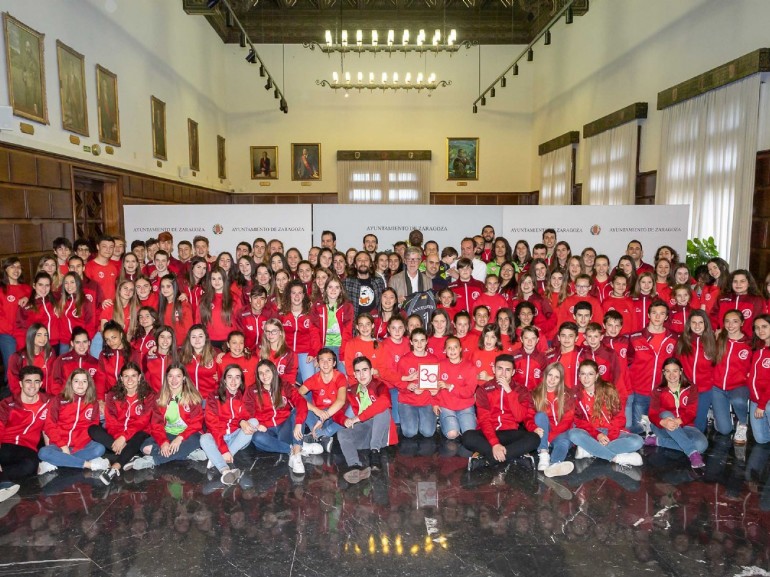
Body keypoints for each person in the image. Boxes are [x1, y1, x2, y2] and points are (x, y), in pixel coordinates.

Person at [464, 354, 540, 471]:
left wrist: (509, 391)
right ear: (494, 369)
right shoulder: (483, 390)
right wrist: (495, 444)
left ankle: (487, 459)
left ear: (513, 372)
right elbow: (484, 420)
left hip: (511, 433)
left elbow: (520, 417)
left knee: (534, 438)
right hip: (489, 433)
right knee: (467, 436)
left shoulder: (521, 390)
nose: (503, 374)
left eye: (507, 370)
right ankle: (513, 457)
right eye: (500, 369)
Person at [242, 359, 320, 475]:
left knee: (296, 411)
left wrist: (298, 423)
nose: (264, 375)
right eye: (261, 373)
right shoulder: (252, 390)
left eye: (267, 371)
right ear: (257, 376)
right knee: (257, 438)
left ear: (273, 371)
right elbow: (246, 411)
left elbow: (300, 401)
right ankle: (296, 448)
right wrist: (257, 424)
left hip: (285, 427)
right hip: (268, 432)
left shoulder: (283, 385)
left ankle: (296, 455)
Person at [568, 360, 644, 467]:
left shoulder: (608, 390)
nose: (586, 378)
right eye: (583, 374)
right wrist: (597, 435)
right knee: (573, 434)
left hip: (612, 431)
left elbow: (619, 417)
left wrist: (610, 437)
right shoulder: (576, 395)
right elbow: (580, 422)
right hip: (592, 433)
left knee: (638, 441)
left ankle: (590, 450)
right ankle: (617, 458)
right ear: (579, 376)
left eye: (590, 374)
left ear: (597, 376)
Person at [89, 362, 155, 485]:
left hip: (138, 434)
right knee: (93, 429)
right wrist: (119, 438)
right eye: (126, 376)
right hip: (117, 436)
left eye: (133, 376)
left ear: (139, 377)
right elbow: (111, 421)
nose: (130, 380)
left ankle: (114, 468)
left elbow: (143, 421)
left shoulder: (148, 395)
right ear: (121, 378)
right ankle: (129, 454)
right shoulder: (112, 394)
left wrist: (124, 437)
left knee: (140, 434)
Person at [131, 363, 206, 470]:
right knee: (145, 447)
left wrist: (180, 438)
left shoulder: (193, 397)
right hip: (168, 433)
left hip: (188, 435)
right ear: (166, 378)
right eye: (170, 376)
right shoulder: (160, 398)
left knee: (197, 441)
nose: (174, 380)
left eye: (178, 376)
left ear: (184, 378)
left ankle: (154, 460)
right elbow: (156, 425)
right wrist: (163, 442)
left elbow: (197, 424)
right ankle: (186, 453)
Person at [38, 368, 109, 473]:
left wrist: (79, 445)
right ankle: (87, 464)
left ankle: (58, 461)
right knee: (43, 452)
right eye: (76, 381)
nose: (80, 384)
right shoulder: (58, 399)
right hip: (59, 445)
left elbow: (93, 427)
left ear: (89, 384)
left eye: (84, 381)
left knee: (99, 449)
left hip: (82, 445)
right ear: (70, 383)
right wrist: (62, 445)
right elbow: (49, 425)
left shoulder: (93, 403)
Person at [338, 356, 396, 483]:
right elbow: (339, 411)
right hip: (365, 433)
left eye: (365, 370)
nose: (362, 374)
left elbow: (385, 401)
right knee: (342, 433)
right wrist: (344, 420)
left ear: (371, 371)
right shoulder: (351, 390)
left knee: (382, 410)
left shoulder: (380, 385)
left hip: (381, 433)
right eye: (358, 371)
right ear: (354, 374)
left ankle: (375, 453)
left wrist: (357, 418)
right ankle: (355, 466)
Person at [627, 300, 678, 435]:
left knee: (659, 430)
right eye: (654, 313)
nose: (657, 317)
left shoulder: (673, 337)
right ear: (648, 315)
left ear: (666, 317)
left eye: (661, 314)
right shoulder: (635, 337)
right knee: (638, 430)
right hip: (639, 391)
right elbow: (626, 362)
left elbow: (676, 365)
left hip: (661, 393)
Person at [646, 358, 708, 469]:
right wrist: (662, 422)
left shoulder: (691, 388)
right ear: (663, 373)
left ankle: (659, 441)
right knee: (666, 414)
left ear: (681, 371)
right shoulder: (658, 390)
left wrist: (679, 421)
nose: (672, 374)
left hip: (687, 427)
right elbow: (652, 414)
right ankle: (692, 453)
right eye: (668, 371)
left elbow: (691, 413)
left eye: (675, 370)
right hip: (663, 427)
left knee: (702, 445)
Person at [0, 366, 50, 496]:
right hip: (5, 445)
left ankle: (3, 480)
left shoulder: (47, 403)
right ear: (21, 383)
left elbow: (48, 430)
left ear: (41, 383)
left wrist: (50, 455)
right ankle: (4, 483)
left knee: (31, 465)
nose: (32, 385)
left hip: (27, 448)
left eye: (36, 381)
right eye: (28, 381)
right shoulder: (7, 404)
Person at [199, 364, 252, 485]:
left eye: (237, 377)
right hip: (218, 437)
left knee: (253, 423)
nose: (233, 381)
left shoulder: (245, 395)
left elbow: (248, 414)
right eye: (230, 377)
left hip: (236, 437)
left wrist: (242, 420)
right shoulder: (213, 396)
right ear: (224, 379)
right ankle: (225, 470)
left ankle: (217, 457)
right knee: (204, 438)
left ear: (241, 380)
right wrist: (223, 449)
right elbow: (212, 425)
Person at [712, 309, 751, 444]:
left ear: (742, 323)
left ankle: (742, 424)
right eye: (727, 321)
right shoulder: (718, 339)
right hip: (717, 388)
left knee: (739, 401)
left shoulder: (750, 343)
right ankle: (719, 416)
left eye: (735, 321)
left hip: (739, 386)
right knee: (724, 430)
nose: (730, 325)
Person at [675, 309, 717, 432]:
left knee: (698, 427)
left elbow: (716, 366)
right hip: (685, 389)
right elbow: (676, 365)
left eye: (701, 322)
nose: (697, 326)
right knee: (683, 423)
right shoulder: (682, 342)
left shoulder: (713, 342)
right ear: (689, 324)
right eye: (694, 322)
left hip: (704, 390)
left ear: (706, 324)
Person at [531, 362, 575, 478]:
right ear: (545, 375)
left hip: (561, 433)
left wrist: (551, 437)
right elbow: (531, 418)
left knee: (564, 442)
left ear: (560, 380)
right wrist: (546, 438)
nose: (552, 379)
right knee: (540, 415)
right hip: (544, 436)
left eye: (556, 377)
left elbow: (568, 420)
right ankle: (544, 455)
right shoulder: (535, 394)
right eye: (550, 375)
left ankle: (554, 465)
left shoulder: (567, 394)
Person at [396, 328, 439, 439]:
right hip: (407, 401)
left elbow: (438, 383)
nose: (419, 344)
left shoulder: (434, 360)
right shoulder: (404, 360)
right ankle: (414, 419)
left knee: (428, 433)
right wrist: (408, 387)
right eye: (416, 340)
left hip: (426, 401)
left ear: (426, 341)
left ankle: (421, 419)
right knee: (410, 433)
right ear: (411, 342)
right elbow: (398, 381)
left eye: (422, 340)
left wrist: (435, 393)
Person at [299, 348, 348, 444]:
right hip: (317, 415)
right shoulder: (314, 379)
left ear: (334, 363)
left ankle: (316, 435)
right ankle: (321, 437)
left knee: (350, 414)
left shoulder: (340, 377)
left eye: (329, 360)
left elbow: (341, 401)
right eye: (322, 360)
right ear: (318, 363)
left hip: (333, 414)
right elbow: (298, 394)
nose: (325, 364)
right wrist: (315, 410)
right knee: (300, 403)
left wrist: (323, 418)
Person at [434, 336, 478, 439]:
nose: (452, 350)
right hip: (446, 406)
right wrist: (434, 403)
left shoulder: (469, 367)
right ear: (445, 350)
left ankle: (467, 419)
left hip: (465, 405)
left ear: (460, 349)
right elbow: (433, 388)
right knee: (452, 434)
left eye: (455, 347)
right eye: (449, 348)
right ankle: (445, 421)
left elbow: (469, 392)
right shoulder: (439, 366)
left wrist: (450, 387)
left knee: (469, 434)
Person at [0, 258, 30, 391]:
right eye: (12, 267)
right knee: (11, 367)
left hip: (25, 335)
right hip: (8, 335)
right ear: (5, 269)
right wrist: (10, 331)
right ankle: (10, 396)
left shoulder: (27, 289)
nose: (16, 270)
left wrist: (27, 298)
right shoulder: (2, 289)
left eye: (18, 267)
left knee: (25, 367)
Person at [314, 277, 354, 374]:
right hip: (324, 346)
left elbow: (347, 332)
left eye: (337, 287)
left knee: (344, 376)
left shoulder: (347, 306)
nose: (333, 290)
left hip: (340, 346)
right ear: (325, 289)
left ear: (341, 290)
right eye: (330, 287)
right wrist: (317, 353)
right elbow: (314, 331)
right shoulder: (318, 306)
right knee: (319, 376)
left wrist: (343, 354)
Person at [7, 323, 56, 397]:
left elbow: (51, 377)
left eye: (45, 335)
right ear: (31, 336)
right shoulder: (17, 357)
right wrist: (22, 398)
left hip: (45, 395)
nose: (43, 339)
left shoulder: (50, 353)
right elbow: (14, 383)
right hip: (26, 396)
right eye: (38, 335)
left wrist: (50, 396)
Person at [50, 327, 98, 396]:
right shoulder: (62, 360)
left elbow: (99, 385)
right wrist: (62, 398)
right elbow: (55, 383)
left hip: (87, 402)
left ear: (89, 343)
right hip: (66, 401)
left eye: (84, 342)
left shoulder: (95, 363)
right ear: (72, 343)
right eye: (78, 342)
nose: (82, 346)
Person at [179, 325, 221, 400]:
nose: (197, 340)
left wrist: (221, 376)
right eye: (194, 337)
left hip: (211, 400)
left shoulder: (216, 354)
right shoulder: (182, 356)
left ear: (206, 338)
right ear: (189, 339)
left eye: (200, 336)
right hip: (190, 399)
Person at [343, 250, 387, 316]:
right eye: (359, 260)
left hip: (374, 323)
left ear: (370, 264)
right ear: (355, 264)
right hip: (354, 323)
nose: (363, 263)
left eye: (366, 260)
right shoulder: (347, 282)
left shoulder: (379, 282)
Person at [749, 314, 770, 444]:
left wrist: (762, 405)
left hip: (766, 400)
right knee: (761, 439)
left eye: (764, 327)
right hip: (756, 398)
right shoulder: (757, 347)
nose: (760, 330)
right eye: (757, 327)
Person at [259, 318, 298, 387]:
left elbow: (291, 378)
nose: (270, 334)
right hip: (264, 387)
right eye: (268, 331)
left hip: (282, 388)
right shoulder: (260, 351)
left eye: (274, 331)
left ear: (280, 332)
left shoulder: (290, 354)